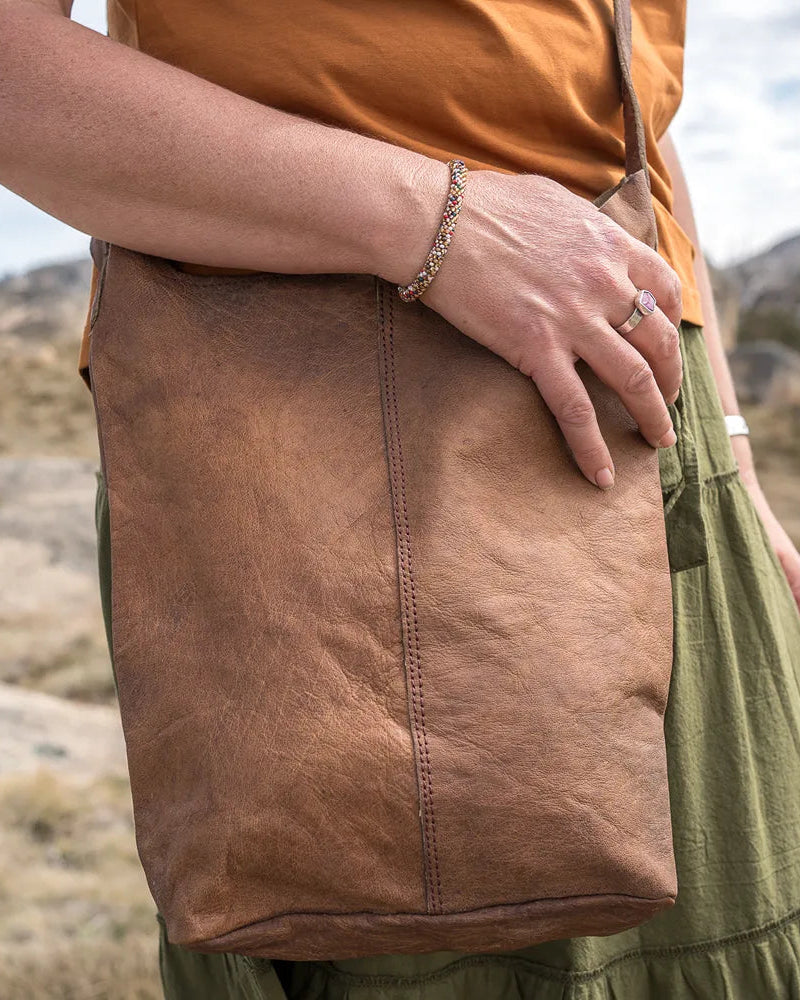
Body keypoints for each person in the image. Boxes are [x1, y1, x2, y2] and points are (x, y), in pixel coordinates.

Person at [4, 0, 800, 996]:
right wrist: (438, 220)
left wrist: (728, 448)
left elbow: (629, 114)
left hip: (657, 441)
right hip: (332, 467)